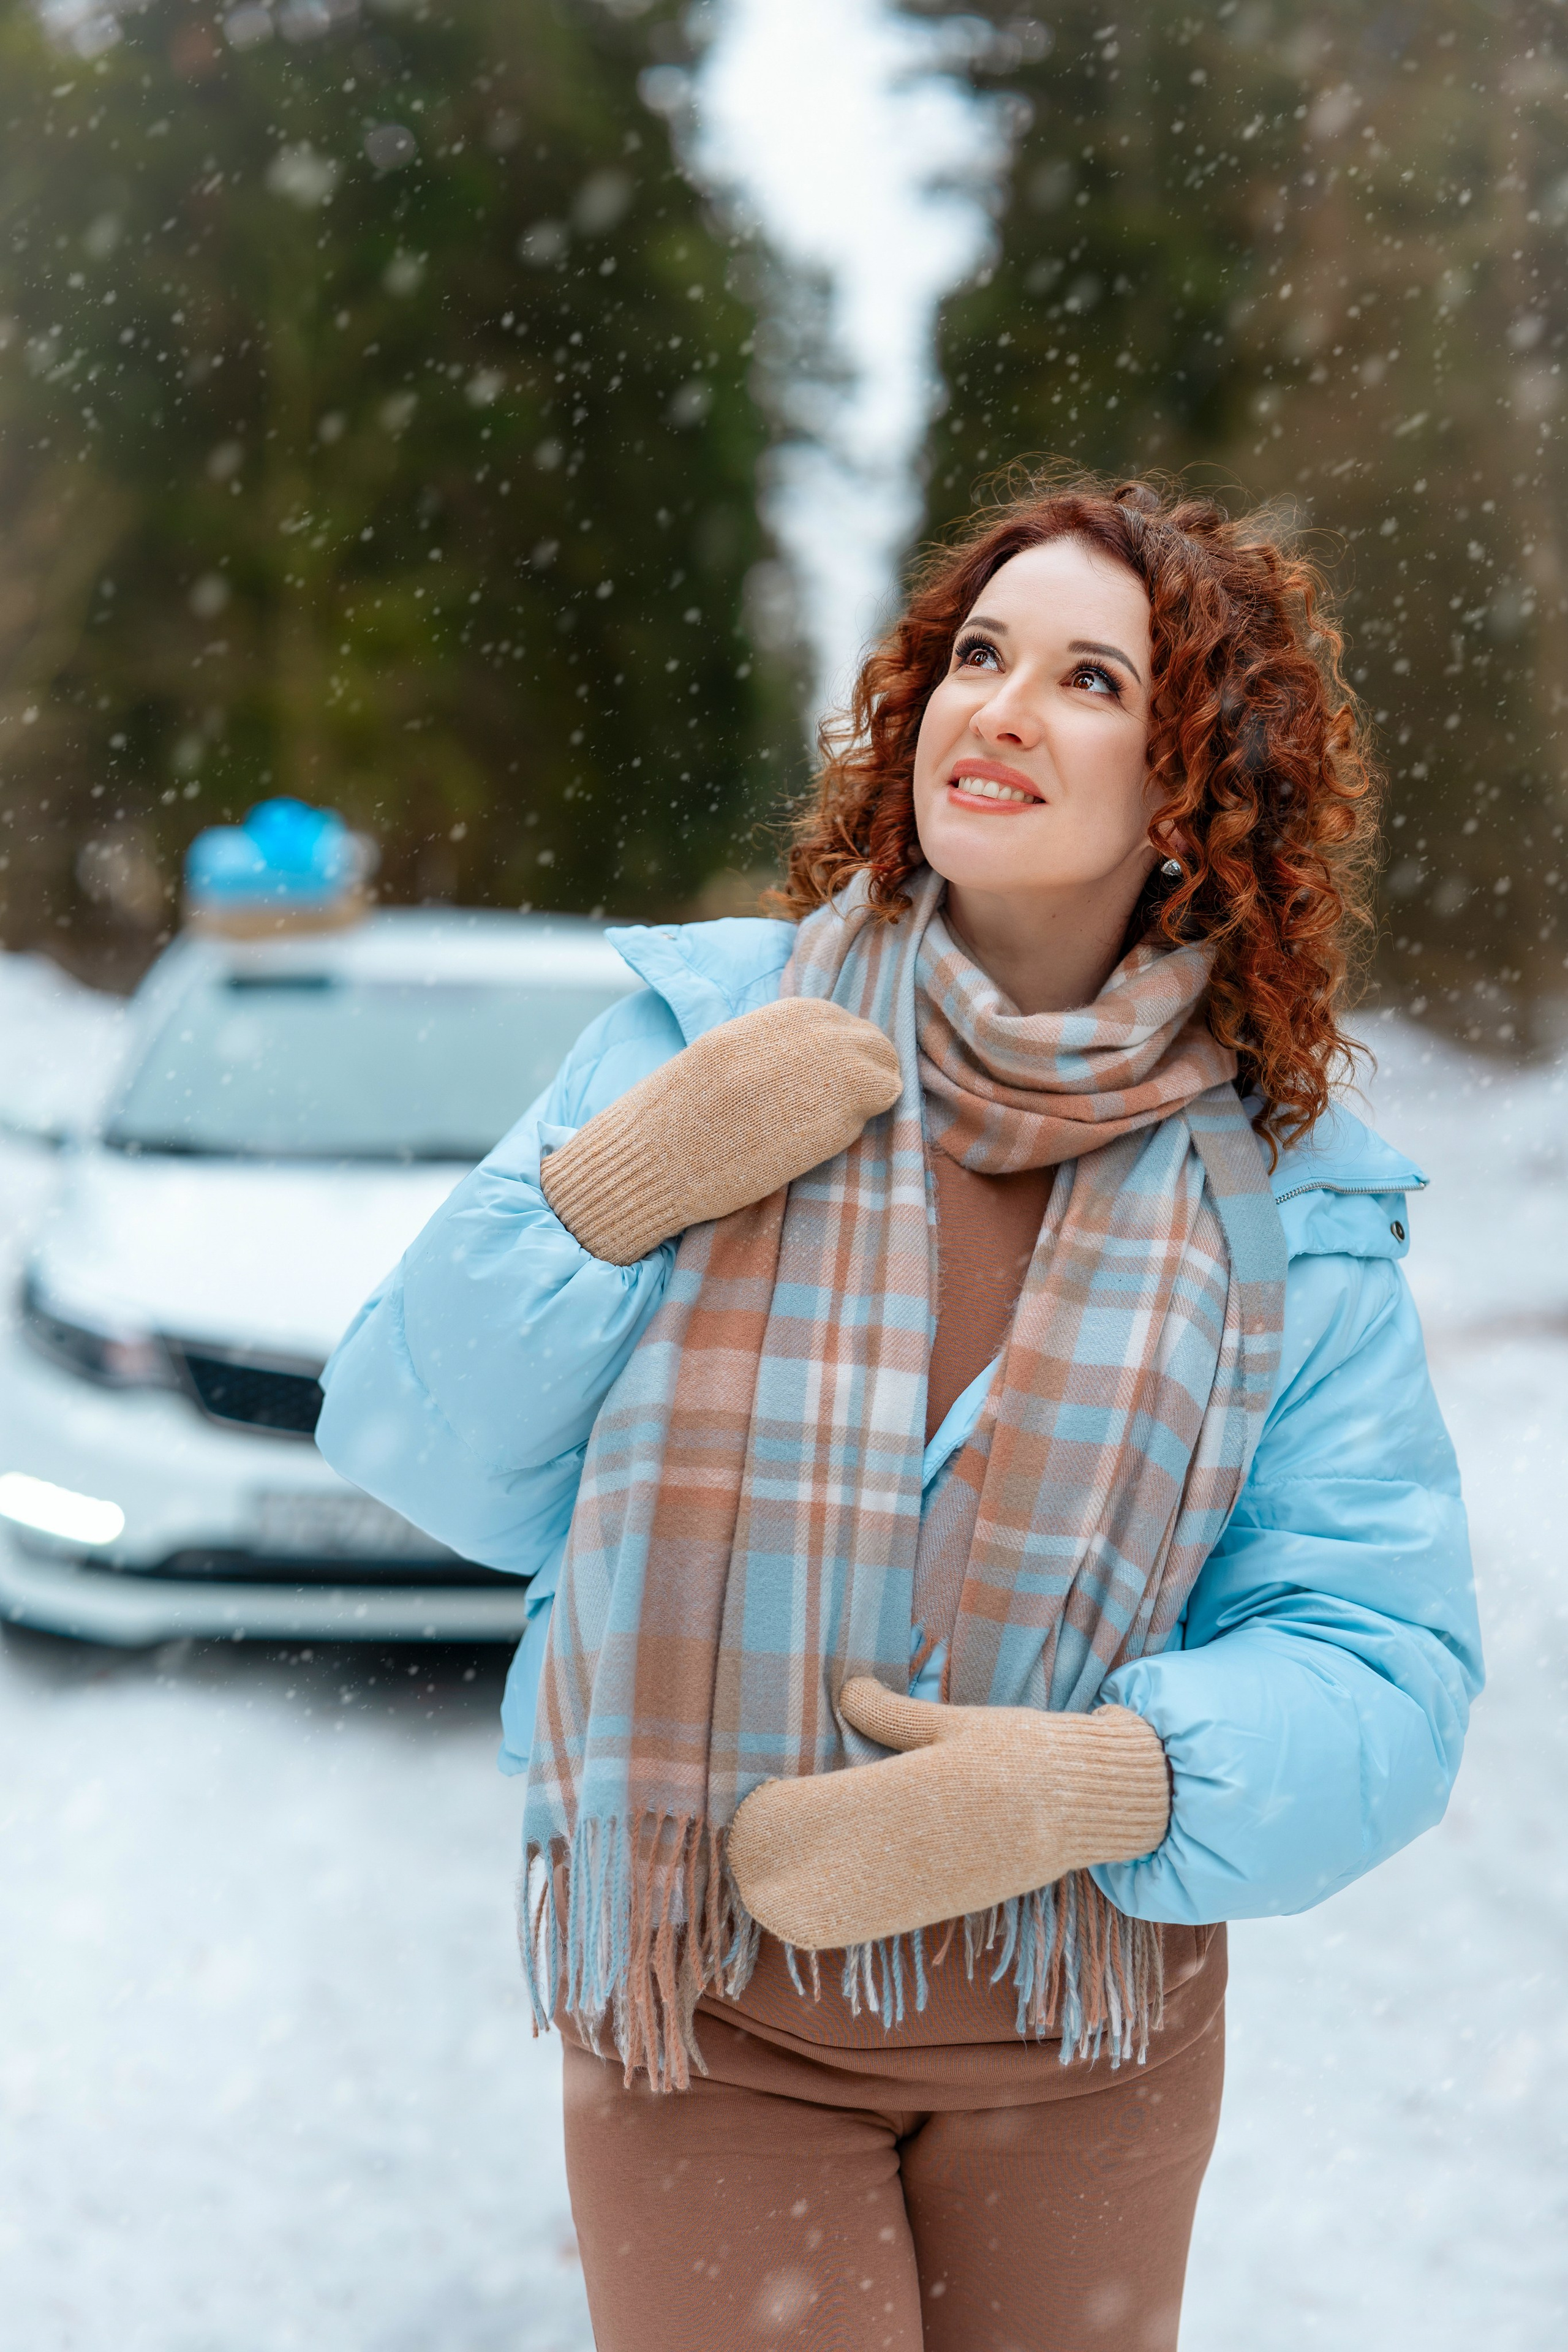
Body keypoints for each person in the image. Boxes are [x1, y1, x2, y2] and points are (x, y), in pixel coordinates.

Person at [317, 477, 1480, 2352]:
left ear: (1189, 791)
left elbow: (1388, 1666)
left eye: (1089, 678)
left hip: (1085, 2038)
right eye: (977, 654)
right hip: (714, 2013)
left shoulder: (1289, 1197)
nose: (999, 706)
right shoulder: (709, 1038)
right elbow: (417, 1452)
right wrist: (597, 1205)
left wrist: (1108, 1782)